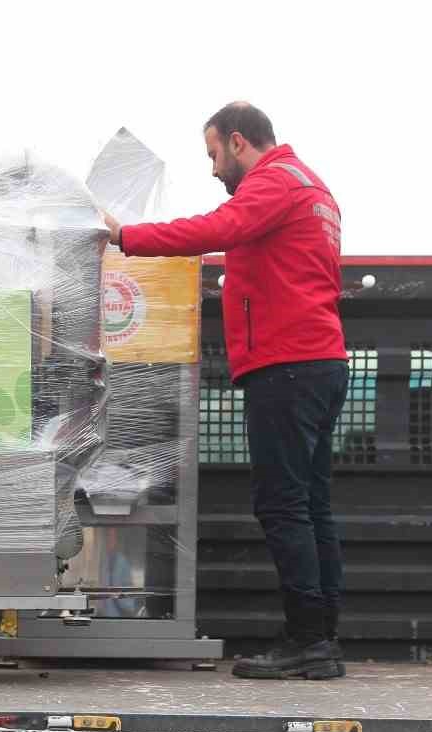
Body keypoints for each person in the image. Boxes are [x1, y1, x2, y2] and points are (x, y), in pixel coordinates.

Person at [104, 102, 348, 680]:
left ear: (239, 142)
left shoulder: (273, 184)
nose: (213, 169)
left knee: (283, 505)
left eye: (213, 154)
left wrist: (125, 236)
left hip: (286, 364)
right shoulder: (315, 188)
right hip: (318, 360)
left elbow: (216, 230)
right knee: (311, 506)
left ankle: (308, 640)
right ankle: (321, 637)